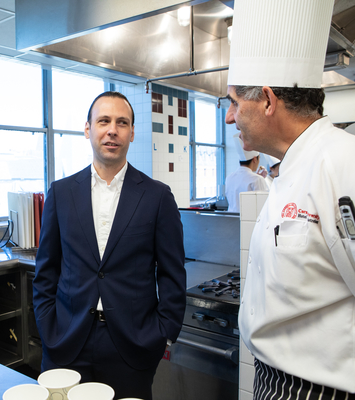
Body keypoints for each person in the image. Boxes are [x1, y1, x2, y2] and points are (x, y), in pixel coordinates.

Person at [227, 0, 355, 398]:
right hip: (275, 382)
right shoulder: (290, 170)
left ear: (269, 101)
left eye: (235, 103)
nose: (229, 117)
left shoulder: (349, 163)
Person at [33, 91, 186, 400]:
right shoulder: (61, 193)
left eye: (122, 122)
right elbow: (46, 270)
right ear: (88, 128)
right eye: (103, 121)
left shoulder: (157, 197)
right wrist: (49, 329)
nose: (112, 130)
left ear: (131, 133)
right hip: (66, 340)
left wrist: (163, 334)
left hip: (131, 345)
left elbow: (172, 274)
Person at [224, 134, 268, 213]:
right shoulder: (257, 179)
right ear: (255, 159)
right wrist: (259, 179)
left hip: (230, 221)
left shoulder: (229, 177)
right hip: (248, 222)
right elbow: (264, 205)